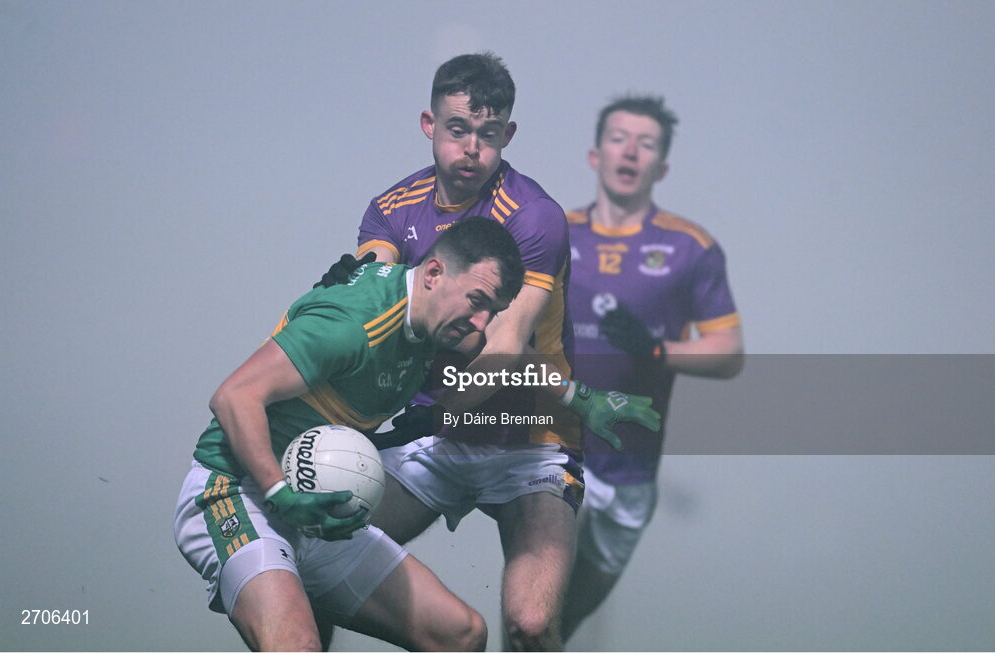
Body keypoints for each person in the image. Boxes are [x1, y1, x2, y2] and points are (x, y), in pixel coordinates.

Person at [348, 52, 658, 651]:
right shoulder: (389, 211)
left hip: (531, 438)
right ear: (428, 124)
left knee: (532, 624)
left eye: (488, 135)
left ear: (507, 135)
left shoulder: (535, 216)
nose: (471, 149)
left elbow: (506, 342)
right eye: (457, 129)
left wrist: (442, 411)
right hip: (430, 438)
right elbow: (369, 314)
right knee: (310, 553)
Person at [173, 218, 526, 652]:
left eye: (493, 311)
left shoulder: (436, 319)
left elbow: (513, 359)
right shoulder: (354, 323)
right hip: (235, 492)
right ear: (433, 274)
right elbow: (233, 396)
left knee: (459, 636)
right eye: (477, 301)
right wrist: (279, 493)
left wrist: (582, 398)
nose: (480, 322)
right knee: (296, 646)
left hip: (316, 513)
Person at [559, 95, 744, 641]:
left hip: (632, 470)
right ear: (596, 154)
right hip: (555, 452)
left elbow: (730, 352)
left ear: (661, 166)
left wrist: (657, 351)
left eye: (646, 143)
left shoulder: (691, 247)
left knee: (560, 625)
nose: (630, 152)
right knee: (532, 616)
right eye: (619, 138)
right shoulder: (553, 233)